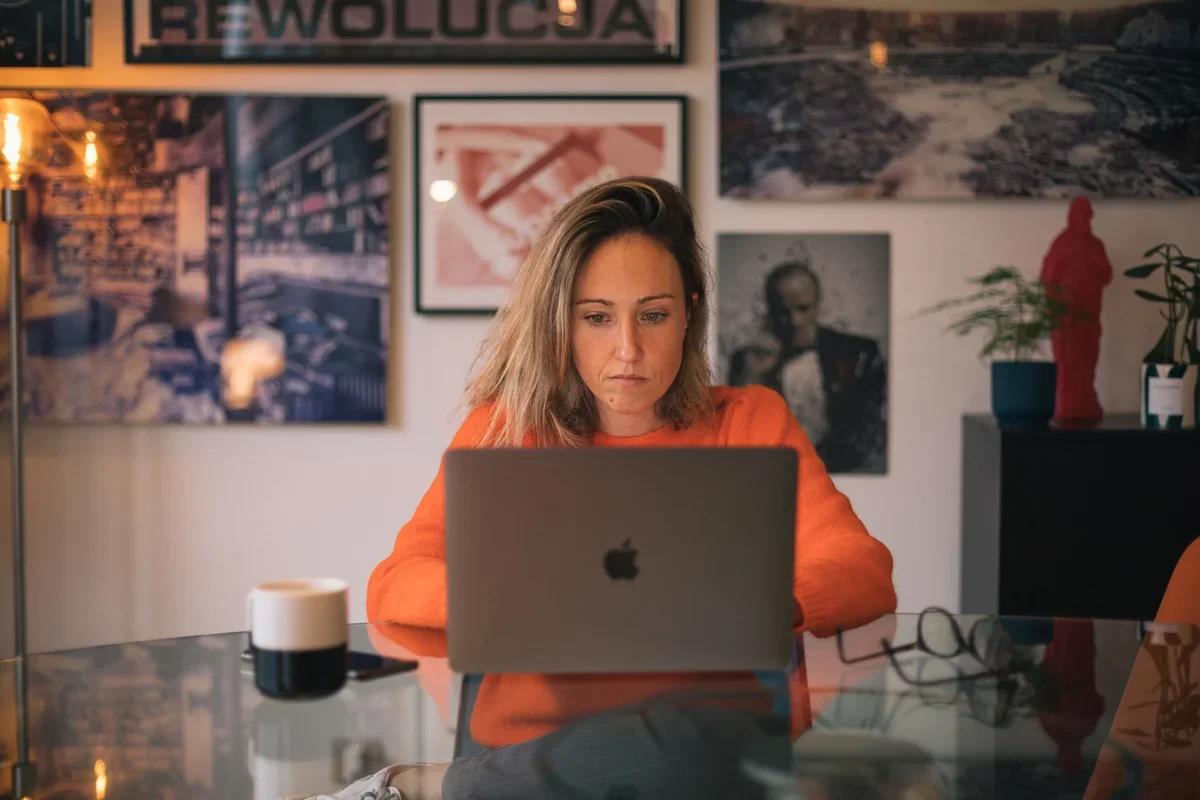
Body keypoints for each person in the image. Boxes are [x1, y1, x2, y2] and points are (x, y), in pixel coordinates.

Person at [362, 177, 896, 794]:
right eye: (596, 317)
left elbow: (862, 567)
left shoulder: (752, 419)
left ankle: (426, 788)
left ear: (689, 312)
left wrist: (760, 605)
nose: (628, 349)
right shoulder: (506, 428)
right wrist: (523, 599)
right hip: (531, 746)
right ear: (562, 322)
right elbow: (395, 583)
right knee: (706, 745)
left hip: (699, 750)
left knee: (709, 740)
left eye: (653, 315)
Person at [728, 259, 886, 474]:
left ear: (818, 303)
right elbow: (736, 444)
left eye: (803, 309)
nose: (795, 321)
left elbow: (868, 438)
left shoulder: (859, 353)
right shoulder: (746, 361)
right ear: (769, 310)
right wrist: (754, 374)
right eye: (783, 312)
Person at [1040, 196, 1111, 421]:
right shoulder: (1062, 243)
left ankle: (1085, 398)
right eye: (1078, 214)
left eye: (1086, 214)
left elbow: (1107, 275)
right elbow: (1048, 277)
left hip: (1090, 314)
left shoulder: (1096, 244)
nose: (1083, 219)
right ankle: (1068, 401)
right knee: (1068, 360)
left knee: (1089, 358)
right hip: (1067, 316)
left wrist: (1098, 265)